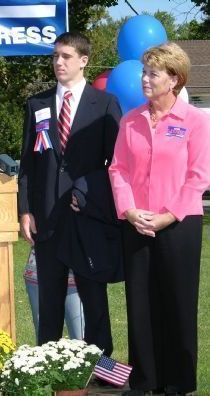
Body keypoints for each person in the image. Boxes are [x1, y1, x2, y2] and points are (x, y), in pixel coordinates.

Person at [109, 42, 210, 395]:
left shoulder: (195, 121)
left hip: (179, 225)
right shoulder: (130, 119)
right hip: (137, 223)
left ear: (174, 80)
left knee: (178, 304)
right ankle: (144, 380)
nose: (145, 79)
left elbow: (199, 176)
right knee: (140, 304)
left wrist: (168, 216)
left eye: (153, 73)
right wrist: (130, 210)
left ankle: (178, 382)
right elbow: (118, 169)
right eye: (144, 72)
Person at [18, 32, 122, 355]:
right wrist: (25, 211)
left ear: (84, 61)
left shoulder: (104, 104)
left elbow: (115, 165)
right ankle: (46, 371)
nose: (58, 62)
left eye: (65, 56)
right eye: (55, 56)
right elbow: (27, 164)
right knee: (49, 303)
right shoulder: (37, 105)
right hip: (47, 219)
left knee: (94, 303)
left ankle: (102, 370)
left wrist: (86, 192)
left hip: (86, 218)